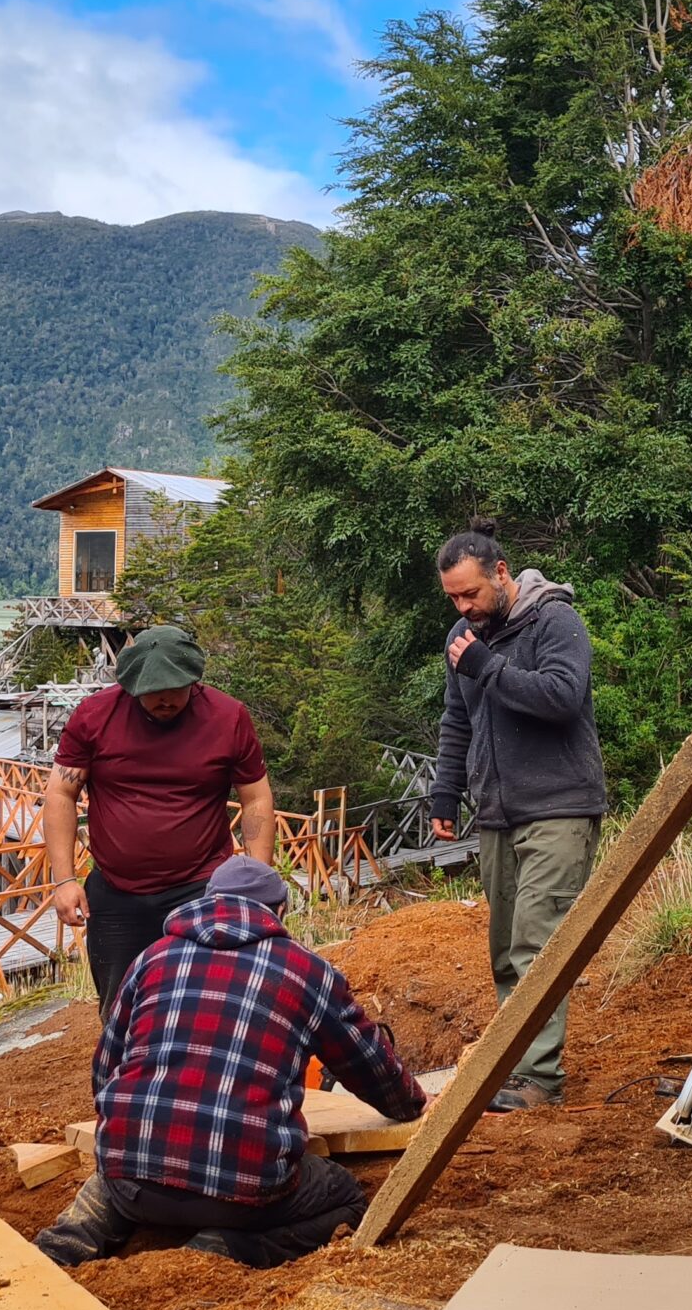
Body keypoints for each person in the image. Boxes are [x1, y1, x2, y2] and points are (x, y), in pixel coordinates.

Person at [35, 855, 425, 1268]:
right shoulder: (308, 971)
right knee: (345, 1197)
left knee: (121, 1178)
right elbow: (368, 1064)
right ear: (279, 911)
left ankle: (71, 1240)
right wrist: (413, 1105)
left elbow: (105, 1070)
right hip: (243, 1193)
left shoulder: (152, 957)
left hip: (129, 1180)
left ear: (209, 901)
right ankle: (225, 1249)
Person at [426, 517, 605, 1110]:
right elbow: (458, 720)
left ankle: (539, 1080)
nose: (463, 606)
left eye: (471, 593)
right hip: (496, 812)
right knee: (505, 951)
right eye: (453, 596)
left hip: (560, 806)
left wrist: (487, 667)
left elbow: (560, 698)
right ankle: (515, 1067)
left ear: (501, 574)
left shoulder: (555, 620)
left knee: (536, 946)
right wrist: (445, 794)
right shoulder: (462, 636)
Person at [44, 625, 276, 1012]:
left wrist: (257, 879)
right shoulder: (95, 716)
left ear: (193, 679)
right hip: (117, 893)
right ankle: (122, 1072)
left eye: (175, 689)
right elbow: (60, 792)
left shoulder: (228, 717)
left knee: (210, 1000)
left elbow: (255, 797)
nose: (164, 699)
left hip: (202, 887)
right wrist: (64, 879)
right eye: (152, 691)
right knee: (121, 1008)